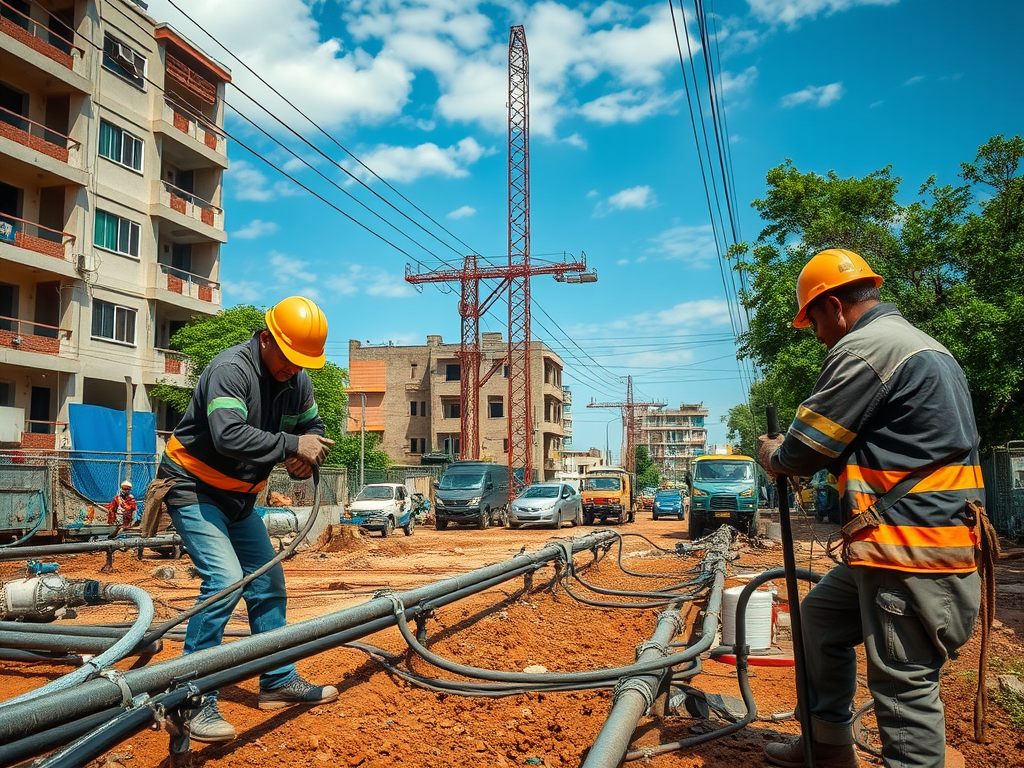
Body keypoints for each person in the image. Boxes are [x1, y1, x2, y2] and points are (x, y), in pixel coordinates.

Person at [756, 249, 983, 768]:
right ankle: (827, 746)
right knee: (819, 620)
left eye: (813, 320)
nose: (816, 334)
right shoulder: (925, 347)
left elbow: (801, 453)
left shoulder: (866, 350)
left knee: (903, 685)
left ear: (833, 306)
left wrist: (771, 452)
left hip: (911, 554)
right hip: (903, 547)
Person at [156, 296, 338, 743]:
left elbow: (312, 430)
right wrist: (290, 447)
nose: (293, 368)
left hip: (239, 500)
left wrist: (305, 449)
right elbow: (228, 434)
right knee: (224, 580)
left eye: (301, 361)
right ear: (265, 339)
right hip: (193, 487)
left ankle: (276, 681)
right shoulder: (230, 370)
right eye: (288, 357)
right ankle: (192, 698)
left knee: (267, 582)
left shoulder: (298, 382)